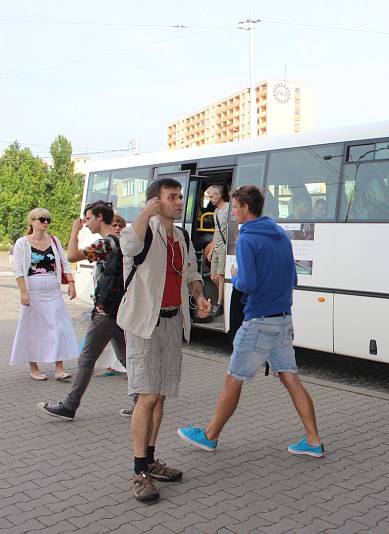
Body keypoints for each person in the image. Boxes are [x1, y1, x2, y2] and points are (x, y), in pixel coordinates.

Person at [177, 185, 324, 459]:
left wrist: (236, 274)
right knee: (290, 377)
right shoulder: (280, 234)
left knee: (234, 378)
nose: (233, 212)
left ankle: (209, 436)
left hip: (258, 321)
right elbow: (292, 280)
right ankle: (313, 441)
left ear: (246, 208)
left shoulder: (247, 239)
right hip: (283, 319)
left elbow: (249, 284)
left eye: (235, 207)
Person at [116, 178, 211, 503]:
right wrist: (144, 213)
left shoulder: (182, 236)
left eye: (180, 196)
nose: (179, 201)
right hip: (144, 325)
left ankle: (151, 460)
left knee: (161, 396)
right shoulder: (144, 231)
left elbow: (192, 272)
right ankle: (139, 470)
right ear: (156, 202)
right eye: (172, 197)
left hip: (173, 322)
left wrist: (198, 296)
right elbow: (127, 246)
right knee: (147, 395)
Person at [39, 203, 131, 421]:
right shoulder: (122, 240)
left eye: (88, 218)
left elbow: (71, 256)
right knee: (126, 357)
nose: (86, 223)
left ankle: (69, 406)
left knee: (87, 358)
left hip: (107, 310)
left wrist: (74, 231)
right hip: (119, 307)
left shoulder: (106, 243)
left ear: (99, 217)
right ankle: (143, 400)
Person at [11, 208, 79, 380]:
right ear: (32, 221)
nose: (46, 223)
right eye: (42, 219)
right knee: (32, 329)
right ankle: (34, 368)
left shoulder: (54, 241)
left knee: (58, 327)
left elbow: (64, 263)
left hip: (53, 291)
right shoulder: (22, 243)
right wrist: (23, 292)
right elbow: (18, 268)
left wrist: (71, 283)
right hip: (32, 291)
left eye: (48, 220)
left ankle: (59, 368)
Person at [95, 214, 128, 377]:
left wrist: (74, 232)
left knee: (113, 332)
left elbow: (73, 255)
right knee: (114, 333)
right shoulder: (108, 243)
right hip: (106, 294)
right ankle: (116, 365)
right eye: (114, 225)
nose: (117, 228)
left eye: (120, 226)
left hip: (114, 296)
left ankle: (127, 367)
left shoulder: (119, 244)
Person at [206, 185, 229, 316]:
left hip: (225, 247)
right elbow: (216, 231)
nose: (210, 199)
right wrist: (211, 250)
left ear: (219, 195)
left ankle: (220, 304)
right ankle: (224, 297)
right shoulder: (215, 212)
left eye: (212, 196)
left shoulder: (229, 208)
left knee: (220, 276)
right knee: (213, 276)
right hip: (217, 247)